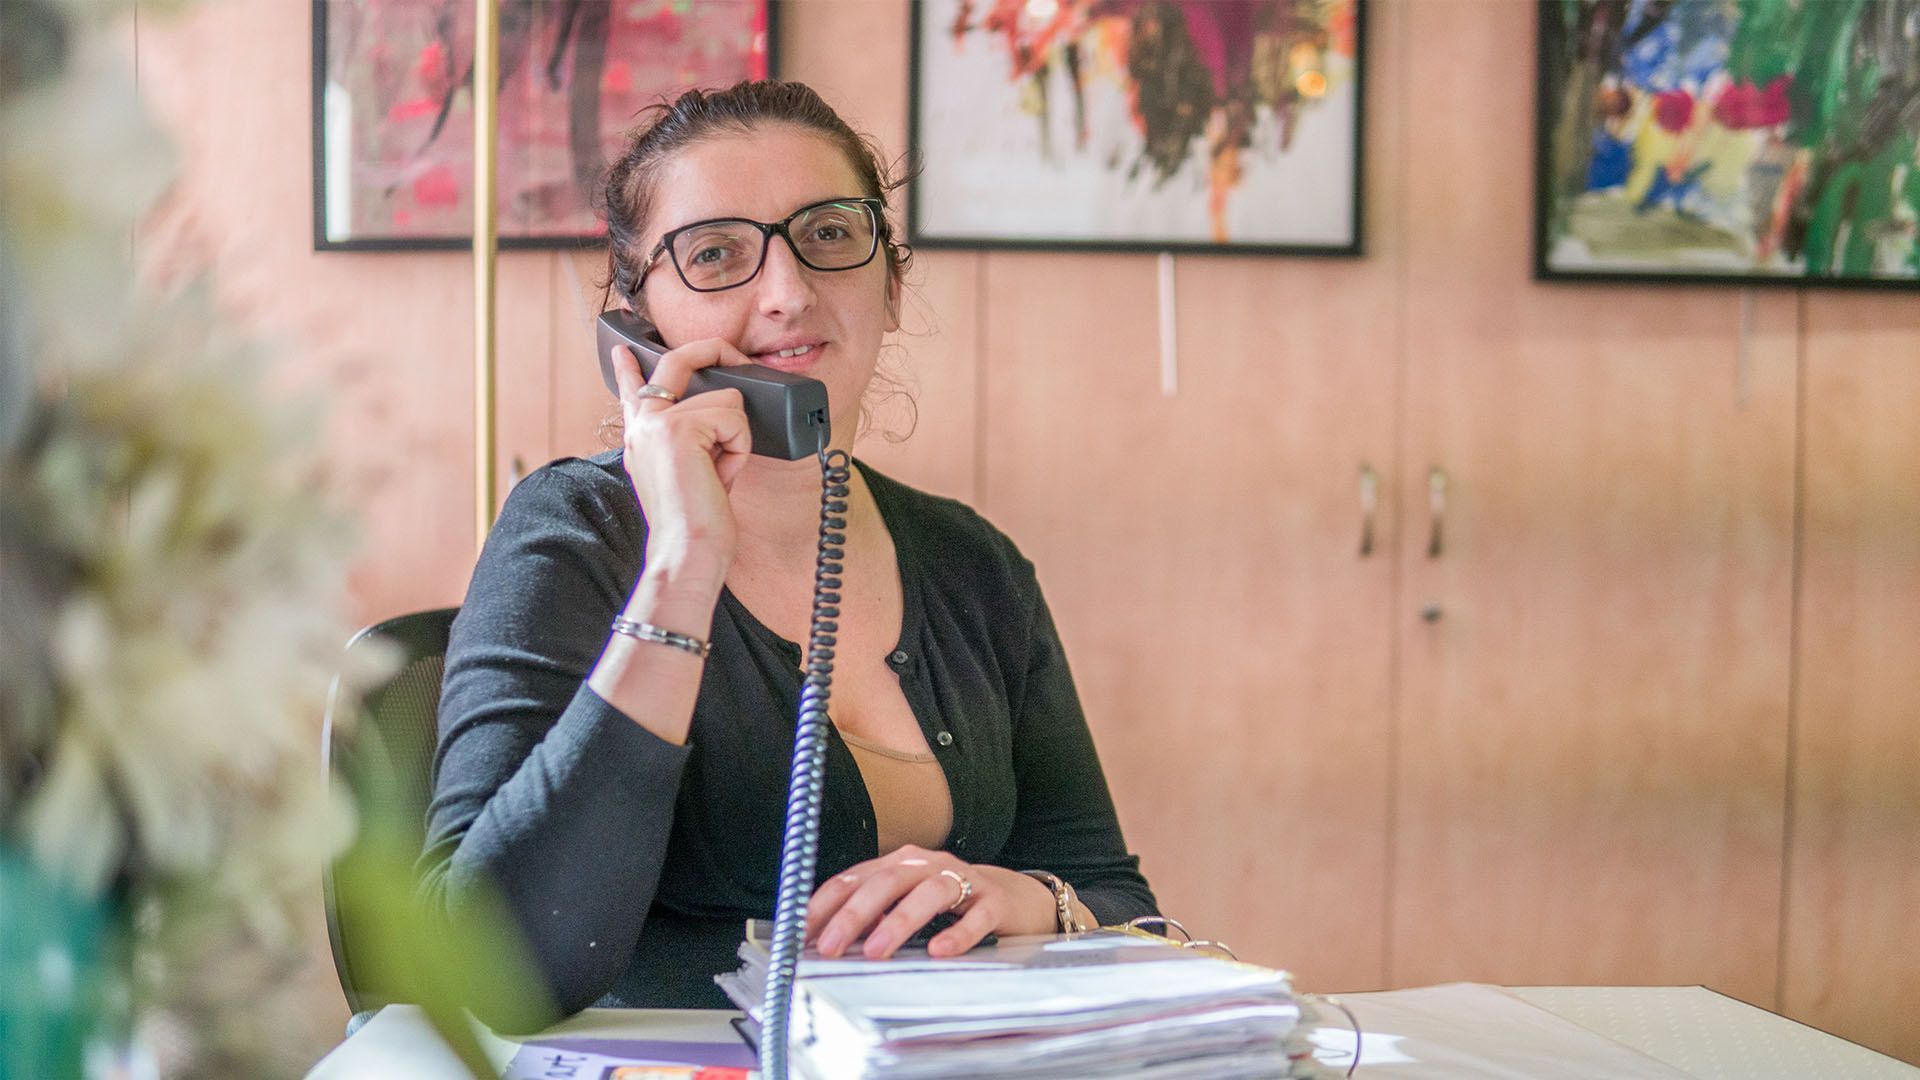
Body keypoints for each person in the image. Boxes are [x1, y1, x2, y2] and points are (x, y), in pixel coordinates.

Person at [417, 80, 1156, 1026]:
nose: (788, 292)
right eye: (715, 252)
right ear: (639, 321)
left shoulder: (975, 565)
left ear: (892, 284)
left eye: (831, 235)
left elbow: (1116, 895)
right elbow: (488, 968)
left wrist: (1022, 901)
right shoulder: (574, 532)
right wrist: (681, 570)